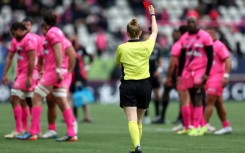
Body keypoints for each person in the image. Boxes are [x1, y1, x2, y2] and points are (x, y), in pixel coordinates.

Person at [17, 13, 77, 142]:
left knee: (36, 97)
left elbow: (59, 49)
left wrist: (59, 69)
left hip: (53, 72)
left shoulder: (52, 33)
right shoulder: (56, 34)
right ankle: (72, 133)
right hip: (55, 71)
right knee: (61, 100)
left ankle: (33, 132)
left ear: (44, 24)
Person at [115, 5, 157, 153]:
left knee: (131, 119)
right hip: (145, 85)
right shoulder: (146, 46)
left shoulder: (121, 48)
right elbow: (155, 32)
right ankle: (135, 148)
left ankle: (137, 147)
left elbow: (119, 63)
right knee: (139, 120)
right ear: (140, 32)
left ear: (127, 33)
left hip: (129, 85)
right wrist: (152, 15)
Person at [177, 15, 214, 136]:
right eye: (189, 22)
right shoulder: (184, 38)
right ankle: (201, 125)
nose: (191, 24)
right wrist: (179, 74)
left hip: (200, 70)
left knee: (198, 96)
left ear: (196, 23)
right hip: (188, 72)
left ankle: (197, 127)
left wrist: (207, 73)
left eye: (193, 22)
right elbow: (182, 58)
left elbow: (210, 56)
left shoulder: (205, 36)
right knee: (192, 98)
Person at [3, 22, 38, 138]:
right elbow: (9, 56)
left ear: (18, 30)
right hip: (22, 73)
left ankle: (20, 129)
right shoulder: (17, 41)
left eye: (13, 33)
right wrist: (5, 73)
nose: (13, 36)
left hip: (28, 73)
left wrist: (29, 76)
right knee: (28, 100)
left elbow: (32, 59)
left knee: (14, 97)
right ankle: (30, 130)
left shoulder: (29, 39)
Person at [41, 24, 77, 139]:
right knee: (50, 100)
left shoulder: (64, 42)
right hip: (52, 74)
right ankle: (52, 129)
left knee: (61, 99)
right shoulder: (47, 41)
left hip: (62, 75)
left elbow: (72, 55)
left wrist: (68, 72)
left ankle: (72, 126)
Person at [153, 26, 187, 126]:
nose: (173, 36)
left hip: (177, 75)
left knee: (180, 96)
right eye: (172, 35)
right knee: (169, 94)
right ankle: (170, 117)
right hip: (178, 74)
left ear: (180, 34)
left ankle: (176, 117)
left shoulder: (178, 44)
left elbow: (173, 63)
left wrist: (168, 77)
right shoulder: (179, 44)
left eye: (175, 34)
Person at [204, 27, 232, 135]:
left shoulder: (219, 45)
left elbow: (228, 60)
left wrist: (226, 76)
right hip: (209, 77)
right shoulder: (207, 46)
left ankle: (203, 125)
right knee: (218, 104)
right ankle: (226, 126)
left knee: (209, 101)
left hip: (217, 78)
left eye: (207, 34)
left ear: (212, 34)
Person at [70, 36, 94, 123]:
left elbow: (91, 55)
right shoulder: (72, 51)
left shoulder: (81, 49)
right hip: (73, 76)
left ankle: (86, 116)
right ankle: (73, 116)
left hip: (80, 76)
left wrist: (89, 65)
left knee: (83, 97)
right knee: (73, 97)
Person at [142, 32, 162, 125]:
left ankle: (158, 115)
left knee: (157, 95)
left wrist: (159, 70)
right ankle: (146, 116)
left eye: (148, 36)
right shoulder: (140, 47)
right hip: (145, 74)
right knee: (146, 96)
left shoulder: (156, 47)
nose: (147, 37)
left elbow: (159, 61)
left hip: (154, 75)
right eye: (145, 36)